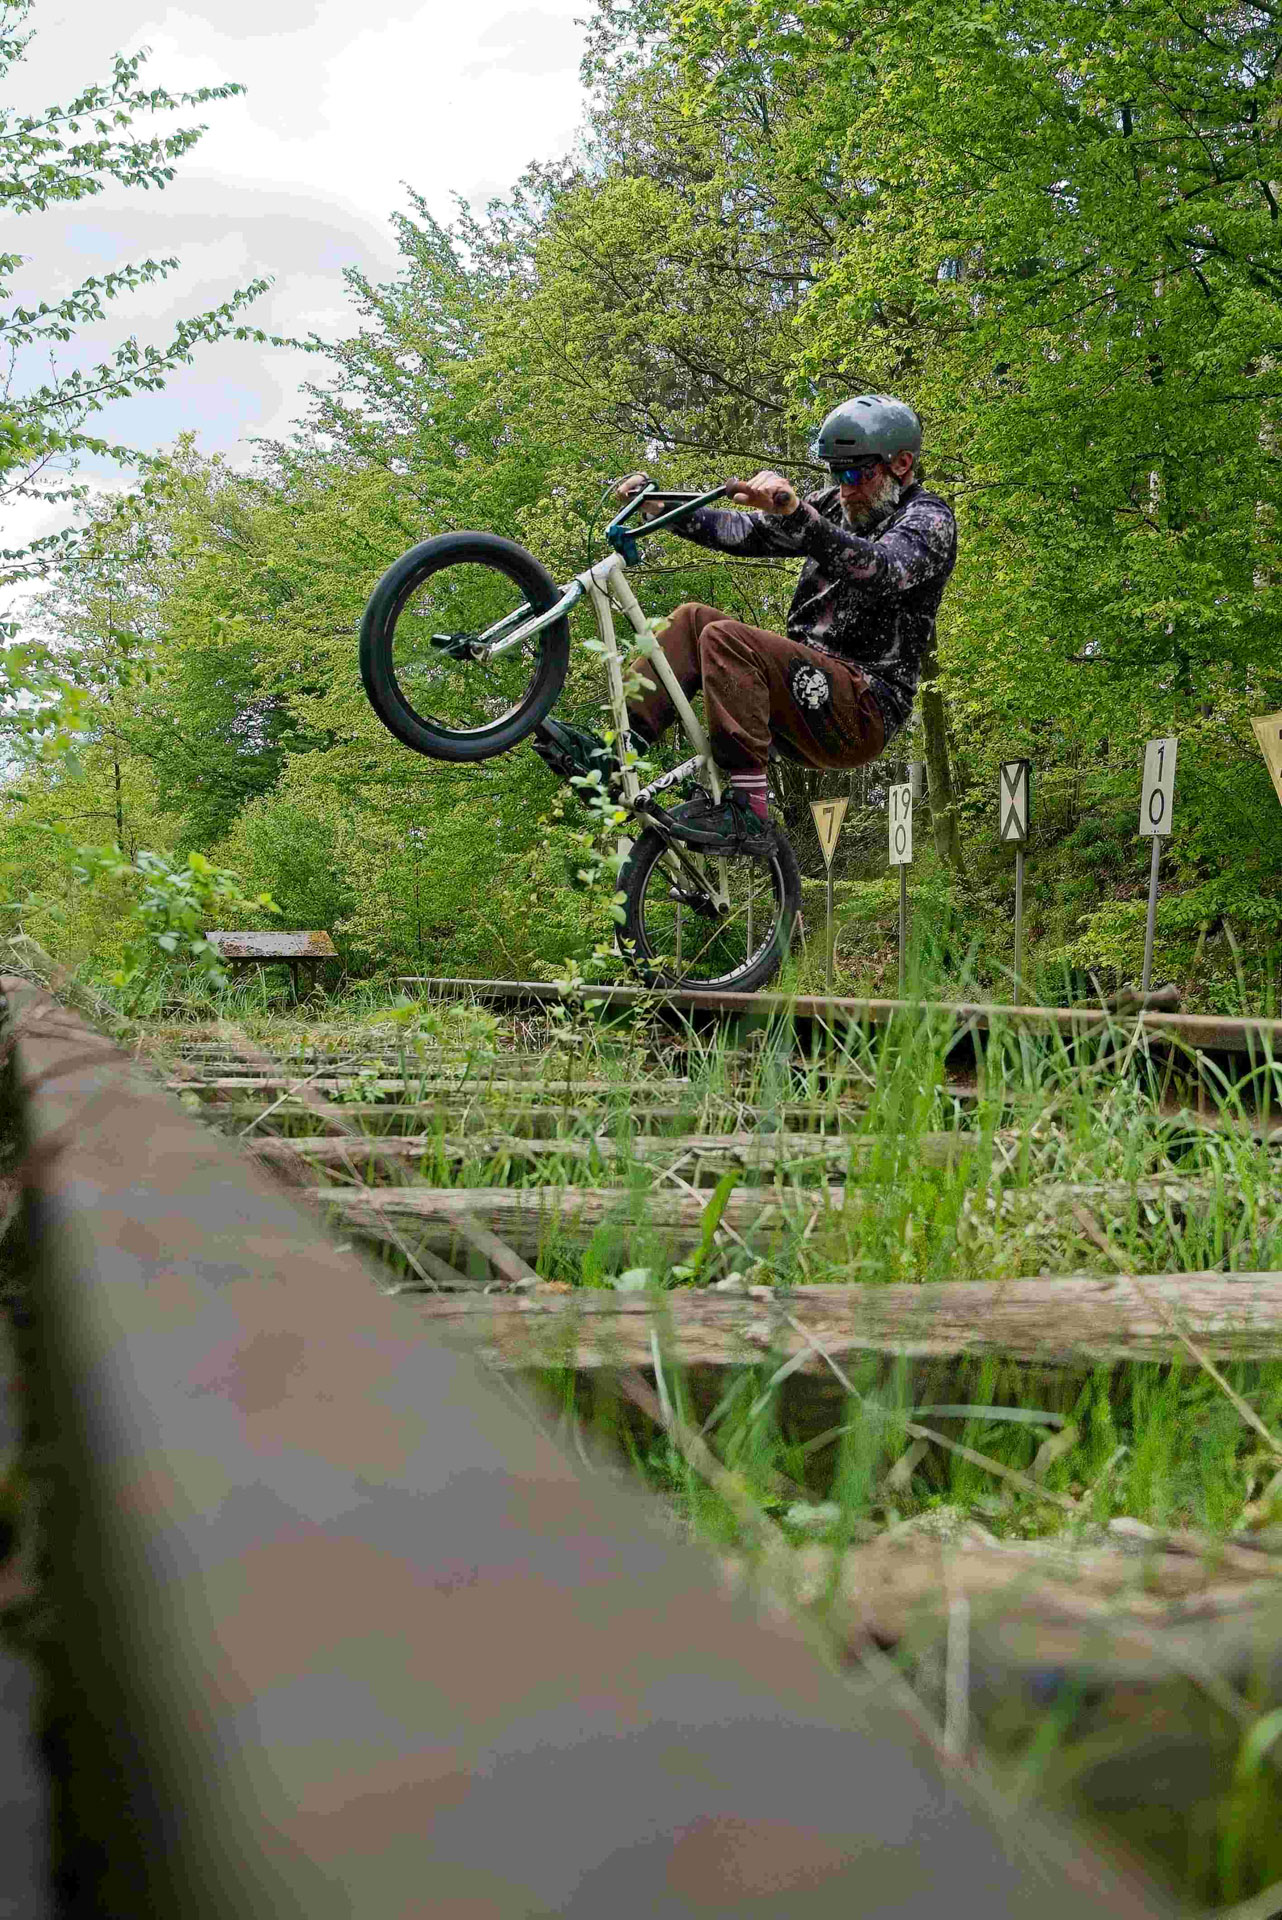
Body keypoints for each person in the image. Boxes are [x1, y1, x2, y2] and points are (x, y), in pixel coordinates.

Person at [534, 394, 957, 851]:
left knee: (725, 638)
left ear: (902, 464)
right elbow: (747, 533)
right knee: (694, 620)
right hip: (803, 686)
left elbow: (882, 569)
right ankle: (615, 756)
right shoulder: (836, 506)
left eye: (857, 474)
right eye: (837, 475)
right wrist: (657, 507)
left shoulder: (929, 520)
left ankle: (748, 809)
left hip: (864, 705)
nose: (846, 489)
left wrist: (799, 516)